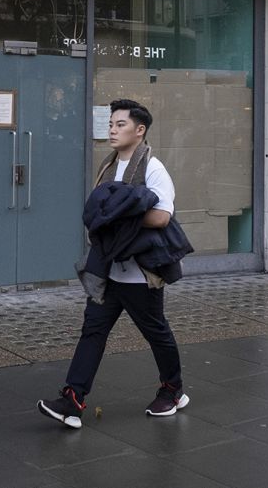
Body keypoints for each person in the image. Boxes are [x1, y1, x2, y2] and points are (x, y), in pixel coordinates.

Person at [39, 99, 188, 429]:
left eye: (121, 124)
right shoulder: (108, 166)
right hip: (108, 271)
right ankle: (72, 400)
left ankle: (173, 390)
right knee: (92, 331)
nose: (112, 128)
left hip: (140, 275)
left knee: (157, 333)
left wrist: (117, 218)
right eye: (111, 123)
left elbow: (162, 216)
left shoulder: (152, 168)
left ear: (139, 130)